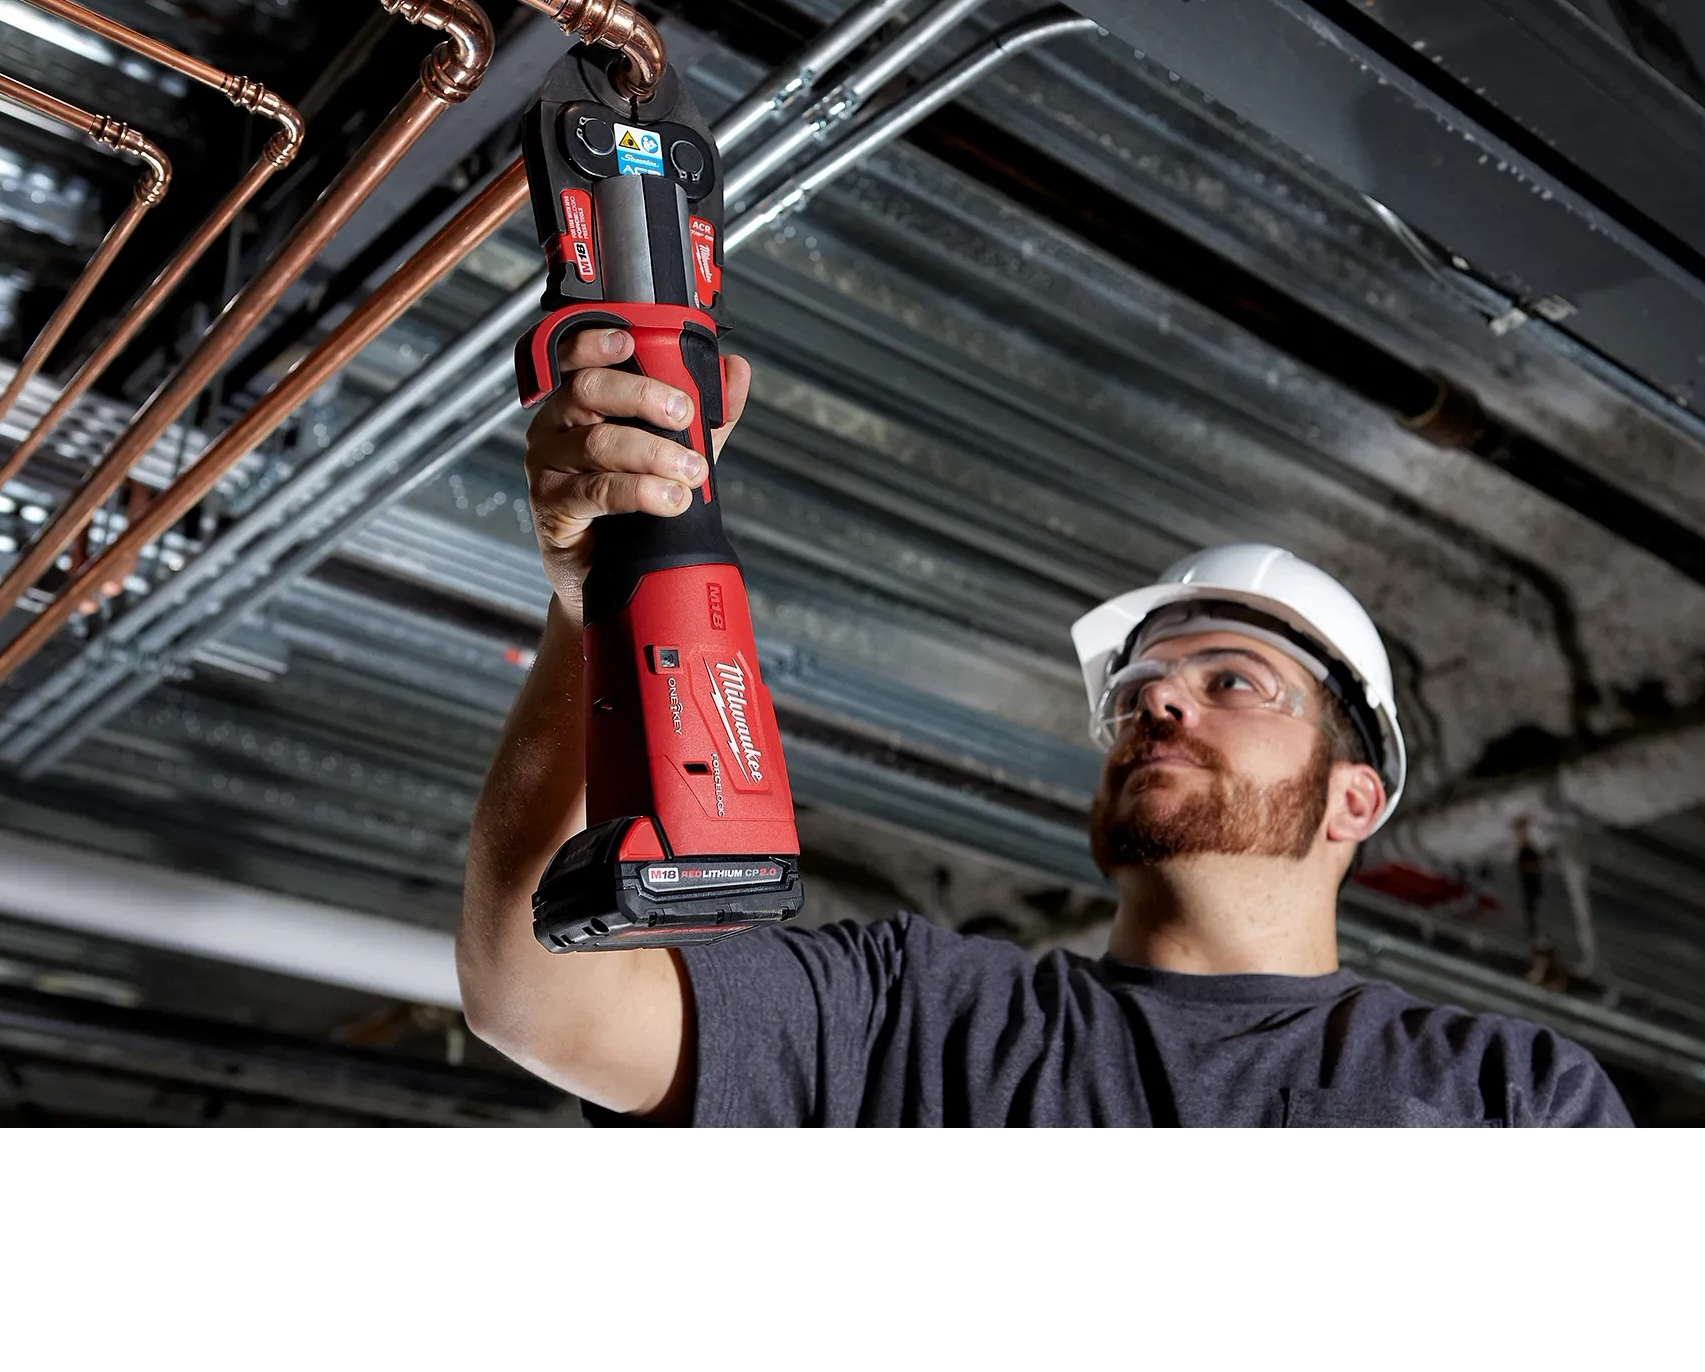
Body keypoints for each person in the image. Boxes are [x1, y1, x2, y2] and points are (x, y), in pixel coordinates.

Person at [461, 327, 1632, 1127]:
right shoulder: (919, 1015)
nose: (1159, 700)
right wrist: (591, 606)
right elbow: (539, 998)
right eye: (1141, 689)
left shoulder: (1505, 1095)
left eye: (1233, 681)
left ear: (1354, 797)